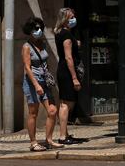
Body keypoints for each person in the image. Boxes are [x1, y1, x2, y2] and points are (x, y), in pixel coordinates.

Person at [21, 17, 63, 152]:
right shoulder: (26, 47)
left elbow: (45, 62)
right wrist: (36, 85)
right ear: (30, 31)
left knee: (52, 110)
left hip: (44, 80)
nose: (39, 31)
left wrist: (48, 77)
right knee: (33, 112)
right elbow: (27, 68)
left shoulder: (42, 43)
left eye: (40, 28)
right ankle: (33, 142)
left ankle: (49, 140)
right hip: (32, 81)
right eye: (36, 29)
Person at [54, 8, 85, 144]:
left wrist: (75, 44)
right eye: (71, 17)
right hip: (67, 72)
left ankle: (65, 133)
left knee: (64, 103)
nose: (73, 19)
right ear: (65, 19)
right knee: (67, 104)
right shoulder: (66, 35)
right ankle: (62, 136)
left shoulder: (60, 33)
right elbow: (68, 57)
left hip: (62, 70)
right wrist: (74, 77)